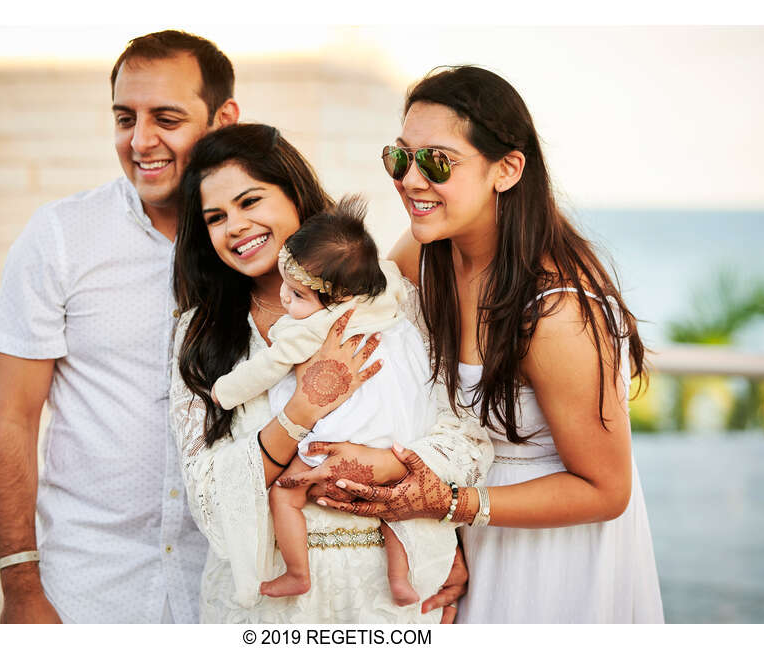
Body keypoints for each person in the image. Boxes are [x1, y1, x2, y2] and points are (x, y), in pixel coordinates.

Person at [316, 65, 665, 623]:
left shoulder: (557, 312)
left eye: (437, 162)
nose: (409, 179)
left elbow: (606, 489)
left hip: (551, 560)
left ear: (507, 169)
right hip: (464, 534)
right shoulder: (427, 252)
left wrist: (450, 505)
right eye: (400, 157)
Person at [170, 123, 492, 623]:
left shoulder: (386, 295)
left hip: (389, 597)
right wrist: (304, 408)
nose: (234, 226)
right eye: (215, 218)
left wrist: (380, 463)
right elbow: (210, 499)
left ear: (295, 195)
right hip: (269, 607)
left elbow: (466, 437)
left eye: (250, 201)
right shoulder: (201, 332)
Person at [0, 30, 239, 623]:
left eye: (166, 118)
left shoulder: (264, 242)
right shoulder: (60, 236)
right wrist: (20, 588)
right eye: (125, 118)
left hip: (225, 593)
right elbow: (13, 420)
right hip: (85, 590)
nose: (140, 141)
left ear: (223, 118)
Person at [211, 196, 441, 605]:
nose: (285, 298)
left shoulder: (313, 327)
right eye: (287, 285)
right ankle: (401, 577)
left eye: (298, 295)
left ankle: (297, 573)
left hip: (337, 436)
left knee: (285, 493)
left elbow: (265, 368)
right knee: (391, 503)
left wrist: (224, 391)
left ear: (335, 299)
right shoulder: (382, 293)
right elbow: (387, 266)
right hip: (393, 436)